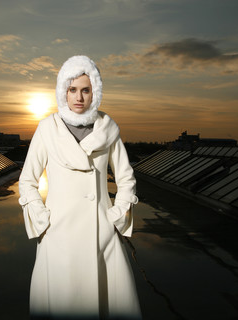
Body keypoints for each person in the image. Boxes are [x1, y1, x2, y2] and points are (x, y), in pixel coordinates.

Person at [19, 55, 141, 319]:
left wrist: (115, 215)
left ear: (94, 92)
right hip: (57, 235)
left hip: (101, 236)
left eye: (86, 90)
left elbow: (126, 178)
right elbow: (27, 180)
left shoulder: (108, 129)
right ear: (63, 91)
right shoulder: (46, 129)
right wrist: (43, 220)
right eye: (72, 89)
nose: (79, 97)